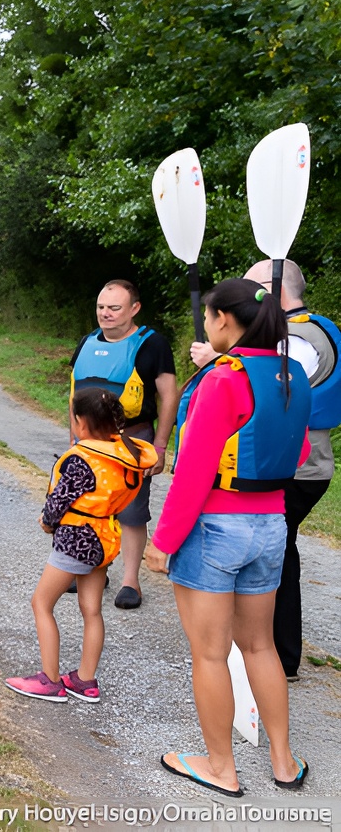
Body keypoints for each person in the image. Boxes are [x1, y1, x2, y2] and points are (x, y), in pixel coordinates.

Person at [148, 278, 311, 796]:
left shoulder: (221, 378)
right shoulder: (293, 372)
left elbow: (194, 472)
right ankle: (283, 762)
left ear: (221, 319)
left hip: (216, 529)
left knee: (211, 654)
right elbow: (301, 454)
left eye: (208, 318)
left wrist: (164, 540)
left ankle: (221, 767)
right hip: (271, 525)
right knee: (260, 646)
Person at [185, 259, 341, 680]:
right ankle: (268, 651)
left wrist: (216, 366)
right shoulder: (302, 333)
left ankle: (274, 653)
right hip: (291, 467)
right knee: (279, 555)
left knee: (276, 561)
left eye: (253, 289)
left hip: (289, 472)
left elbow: (271, 399)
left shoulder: (300, 341)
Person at [4, 388, 157, 702]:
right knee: (92, 611)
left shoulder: (82, 459)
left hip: (76, 540)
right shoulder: (122, 453)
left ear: (81, 424)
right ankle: (85, 681)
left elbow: (59, 501)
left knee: (41, 604)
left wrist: (47, 522)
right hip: (104, 539)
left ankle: (49, 679)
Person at [69, 280, 177, 609]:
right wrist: (72, 439)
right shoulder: (87, 341)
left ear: (134, 309)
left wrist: (159, 447)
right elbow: (73, 393)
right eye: (102, 307)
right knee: (90, 504)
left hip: (133, 436)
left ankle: (131, 580)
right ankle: (93, 566)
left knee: (131, 510)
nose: (106, 313)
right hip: (88, 440)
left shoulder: (152, 344)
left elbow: (169, 396)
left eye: (115, 308)